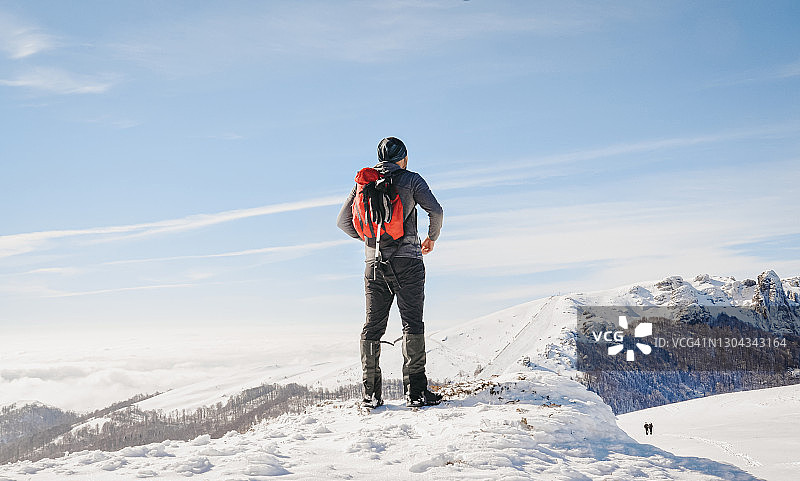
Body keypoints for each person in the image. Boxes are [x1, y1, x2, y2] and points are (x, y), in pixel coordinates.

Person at [337, 137, 444, 408]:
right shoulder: (411, 180)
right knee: (412, 323)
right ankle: (416, 393)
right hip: (408, 261)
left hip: (373, 264)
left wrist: (368, 240)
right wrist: (431, 238)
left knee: (372, 327)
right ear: (404, 158)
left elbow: (343, 222)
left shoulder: (364, 183)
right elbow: (436, 211)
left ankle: (370, 395)